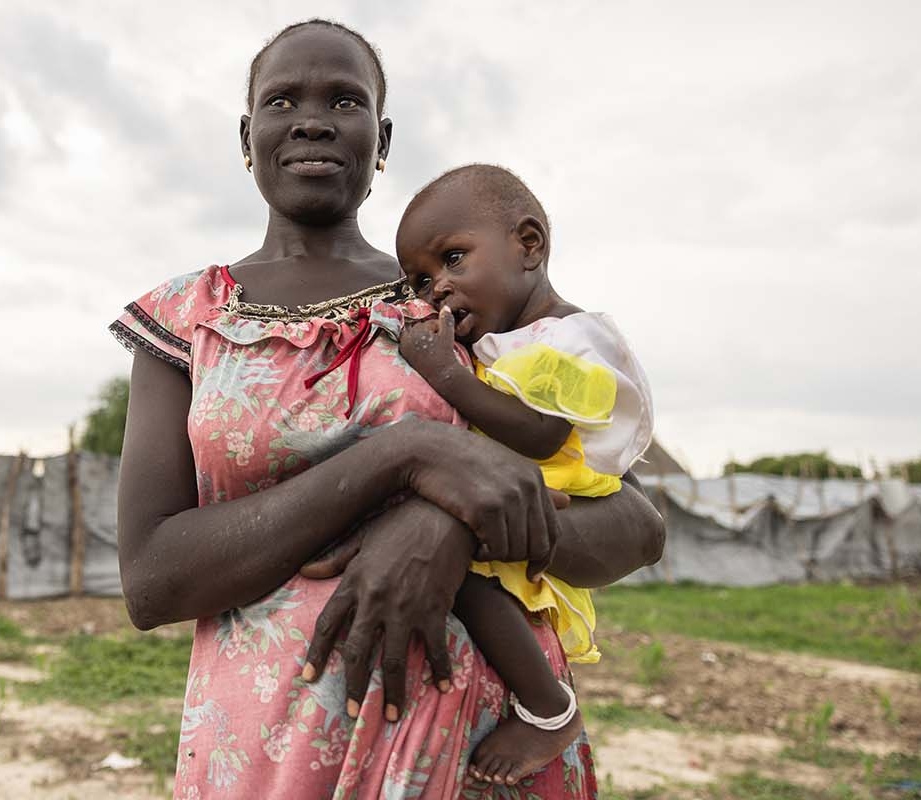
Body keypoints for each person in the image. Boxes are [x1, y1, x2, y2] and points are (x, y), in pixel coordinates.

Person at [110, 19, 664, 798]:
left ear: (383, 136)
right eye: (281, 102)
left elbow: (634, 524)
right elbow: (153, 580)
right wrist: (404, 459)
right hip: (270, 748)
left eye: (345, 99)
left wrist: (447, 526)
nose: (312, 119)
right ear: (247, 136)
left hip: (471, 744)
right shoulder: (185, 320)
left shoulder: (450, 307)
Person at [395, 164, 654, 786]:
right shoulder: (512, 338)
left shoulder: (566, 340)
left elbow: (542, 433)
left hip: (564, 483)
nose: (438, 289)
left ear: (529, 245)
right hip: (531, 481)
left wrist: (446, 376)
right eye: (423, 280)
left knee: (467, 578)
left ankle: (549, 710)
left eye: (454, 259)